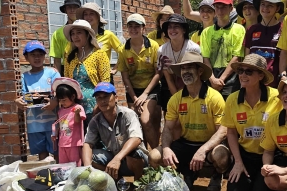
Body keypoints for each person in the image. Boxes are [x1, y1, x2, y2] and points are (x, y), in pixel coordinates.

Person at [149, 51, 227, 190]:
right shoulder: (176, 98)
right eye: (183, 68)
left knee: (221, 155)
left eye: (190, 67)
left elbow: (222, 131)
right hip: (185, 144)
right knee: (155, 156)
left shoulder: (215, 97)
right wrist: (166, 148)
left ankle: (217, 174)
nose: (186, 72)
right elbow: (167, 128)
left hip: (209, 145)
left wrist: (203, 149)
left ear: (200, 71)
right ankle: (182, 175)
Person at [220, 53, 282, 191]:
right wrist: (238, 162)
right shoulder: (232, 99)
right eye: (240, 71)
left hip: (270, 155)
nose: (243, 75)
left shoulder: (276, 97)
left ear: (261, 76)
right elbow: (232, 132)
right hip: (245, 155)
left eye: (249, 72)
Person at [82, 82, 148, 180]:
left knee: (133, 153)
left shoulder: (128, 114)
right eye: (99, 98)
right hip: (114, 160)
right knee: (91, 156)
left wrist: (117, 158)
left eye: (106, 96)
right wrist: (88, 168)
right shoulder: (95, 121)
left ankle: (139, 182)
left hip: (138, 161)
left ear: (116, 98)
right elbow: (87, 144)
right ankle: (115, 178)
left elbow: (136, 138)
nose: (103, 101)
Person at [117, 14, 161, 149]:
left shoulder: (153, 46)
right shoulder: (123, 49)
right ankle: (144, 157)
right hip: (133, 91)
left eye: (137, 26)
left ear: (143, 28)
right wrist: (135, 98)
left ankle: (155, 157)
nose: (133, 29)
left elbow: (158, 73)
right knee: (136, 124)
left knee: (146, 120)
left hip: (151, 89)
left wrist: (145, 95)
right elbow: (125, 78)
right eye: (130, 26)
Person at [14, 41, 61, 160]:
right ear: (26, 57)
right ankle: (45, 176)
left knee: (58, 153)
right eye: (33, 55)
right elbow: (23, 96)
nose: (37, 58)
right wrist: (19, 101)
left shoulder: (53, 73)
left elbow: (60, 91)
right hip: (34, 124)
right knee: (42, 155)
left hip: (53, 123)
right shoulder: (24, 76)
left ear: (44, 56)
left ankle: (60, 177)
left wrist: (54, 101)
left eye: (40, 54)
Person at [63, 19, 110, 125]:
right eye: (73, 34)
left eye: (79, 33)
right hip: (76, 109)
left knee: (96, 138)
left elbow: (105, 83)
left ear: (88, 35)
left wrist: (99, 105)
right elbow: (66, 82)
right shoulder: (69, 57)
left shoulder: (99, 54)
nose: (75, 36)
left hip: (95, 107)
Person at [200, 0, 246, 101]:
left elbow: (237, 57)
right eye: (217, 7)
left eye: (224, 7)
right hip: (211, 74)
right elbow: (205, 57)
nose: (220, 11)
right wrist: (212, 79)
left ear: (230, 8)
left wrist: (221, 79)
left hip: (231, 76)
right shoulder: (206, 32)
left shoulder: (239, 29)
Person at [157, 14, 201, 112]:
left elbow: (198, 75)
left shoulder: (193, 48)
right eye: (170, 27)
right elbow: (168, 78)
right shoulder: (162, 50)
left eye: (176, 26)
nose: (172, 30)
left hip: (193, 84)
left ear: (184, 30)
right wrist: (177, 99)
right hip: (171, 85)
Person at [76, 2, 122, 84]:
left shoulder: (108, 35)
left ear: (98, 17)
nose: (88, 17)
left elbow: (124, 52)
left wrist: (115, 68)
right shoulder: (80, 37)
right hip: (85, 79)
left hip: (104, 78)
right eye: (85, 14)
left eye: (91, 14)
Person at [244, 0, 284, 88]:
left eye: (270, 5)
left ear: (277, 8)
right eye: (263, 4)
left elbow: (284, 56)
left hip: (273, 82)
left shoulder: (283, 29)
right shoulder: (251, 29)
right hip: (253, 81)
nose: (265, 8)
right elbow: (246, 57)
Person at [51, 77, 86, 166]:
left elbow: (78, 121)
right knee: (63, 166)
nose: (62, 102)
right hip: (62, 143)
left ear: (73, 96)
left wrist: (77, 114)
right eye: (60, 100)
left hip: (73, 144)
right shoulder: (60, 110)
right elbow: (60, 125)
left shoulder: (78, 108)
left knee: (75, 165)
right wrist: (55, 134)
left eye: (64, 100)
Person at [49, 0, 81, 75]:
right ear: (65, 10)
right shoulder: (57, 33)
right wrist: (57, 79)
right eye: (69, 7)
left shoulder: (88, 30)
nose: (72, 10)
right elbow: (57, 60)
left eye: (75, 7)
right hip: (66, 68)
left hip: (86, 66)